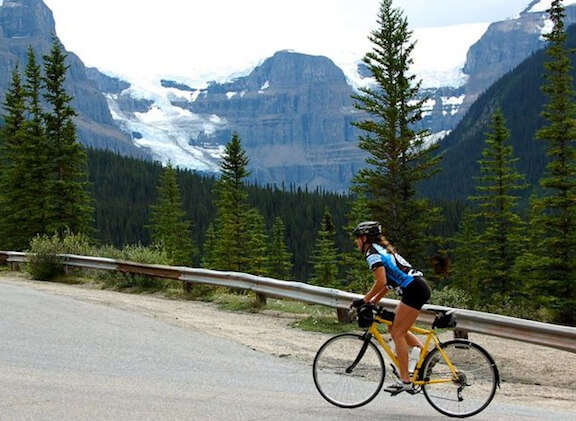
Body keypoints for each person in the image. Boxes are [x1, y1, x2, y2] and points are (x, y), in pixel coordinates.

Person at [351, 221, 431, 394]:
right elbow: (387, 284)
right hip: (417, 287)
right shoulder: (382, 250)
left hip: (414, 289)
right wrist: (373, 301)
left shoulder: (372, 253)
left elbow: (381, 281)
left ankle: (405, 380)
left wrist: (363, 300)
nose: (356, 242)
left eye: (357, 238)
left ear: (364, 238)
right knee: (391, 323)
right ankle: (424, 355)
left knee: (397, 333)